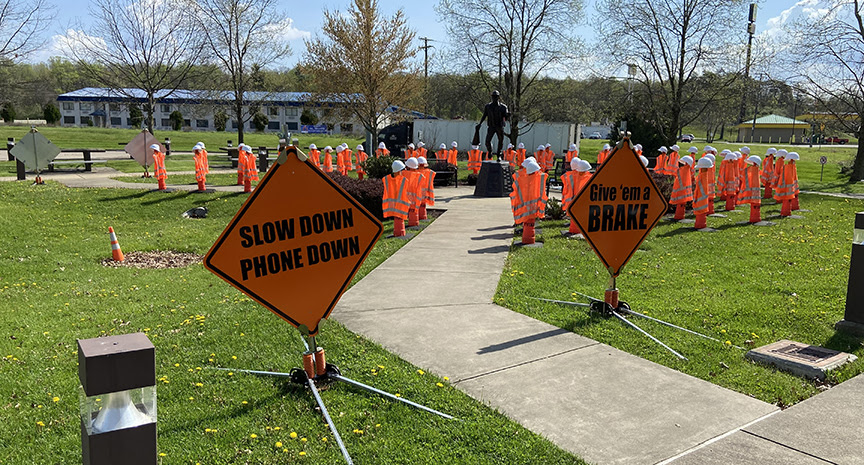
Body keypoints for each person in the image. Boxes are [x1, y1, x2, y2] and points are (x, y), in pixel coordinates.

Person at [511, 157, 548, 245]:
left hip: (528, 208)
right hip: (532, 208)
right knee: (529, 225)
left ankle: (528, 237)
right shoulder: (535, 178)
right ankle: (528, 238)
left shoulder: (525, 179)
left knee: (529, 224)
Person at [561, 158, 592, 235]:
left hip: (574, 200)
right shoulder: (580, 176)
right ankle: (575, 229)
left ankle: (575, 229)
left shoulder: (571, 176)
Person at [477, 90, 510, 157]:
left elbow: (506, 117)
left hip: (499, 126)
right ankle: (490, 151)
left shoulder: (503, 107)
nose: (494, 98)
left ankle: (499, 153)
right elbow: (484, 115)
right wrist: (480, 123)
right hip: (491, 126)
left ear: (498, 97)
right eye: (493, 96)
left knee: (500, 141)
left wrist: (508, 115)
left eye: (496, 97)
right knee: (487, 141)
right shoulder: (488, 106)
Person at [383, 160, 412, 237]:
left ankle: (397, 231)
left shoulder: (386, 180)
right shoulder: (404, 181)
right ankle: (399, 232)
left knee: (397, 220)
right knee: (399, 220)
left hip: (391, 207)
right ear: (400, 170)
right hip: (401, 208)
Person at [403, 157, 426, 228]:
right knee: (414, 212)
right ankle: (414, 221)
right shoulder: (419, 175)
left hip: (406, 198)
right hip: (416, 199)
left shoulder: (403, 173)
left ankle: (412, 221)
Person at [740, 155, 763, 223]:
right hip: (754, 190)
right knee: (755, 203)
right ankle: (755, 217)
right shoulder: (753, 170)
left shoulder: (751, 170)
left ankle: (755, 217)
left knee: (755, 203)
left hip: (753, 190)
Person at [775, 151, 798, 217]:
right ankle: (786, 211)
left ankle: (786, 211)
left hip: (788, 189)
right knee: (787, 200)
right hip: (787, 189)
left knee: (787, 200)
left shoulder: (789, 167)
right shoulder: (788, 167)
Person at [671, 155, 694, 220]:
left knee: (681, 204)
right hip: (682, 193)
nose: (682, 164)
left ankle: (679, 216)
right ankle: (679, 215)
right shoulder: (685, 170)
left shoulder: (683, 170)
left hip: (681, 194)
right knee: (681, 204)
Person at [693, 157, 713, 229]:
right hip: (702, 203)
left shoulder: (702, 177)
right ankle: (701, 223)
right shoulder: (702, 176)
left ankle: (700, 224)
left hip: (700, 204)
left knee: (701, 212)